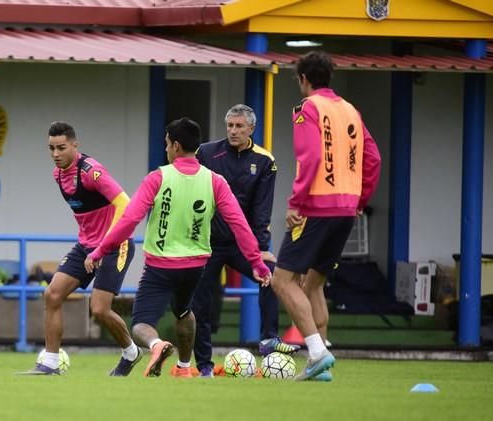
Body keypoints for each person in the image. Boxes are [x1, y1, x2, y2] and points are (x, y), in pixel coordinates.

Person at [85, 118, 271, 378]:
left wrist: (100, 250)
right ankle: (184, 367)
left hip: (160, 267)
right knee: (184, 310)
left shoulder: (158, 177)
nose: (166, 149)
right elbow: (239, 224)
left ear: (175, 145)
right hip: (196, 267)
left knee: (141, 324)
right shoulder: (214, 181)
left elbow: (129, 220)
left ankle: (156, 345)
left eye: (167, 144)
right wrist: (257, 262)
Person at [270, 51, 381, 381]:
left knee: (283, 280)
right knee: (314, 283)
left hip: (316, 208)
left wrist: (295, 203)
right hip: (346, 210)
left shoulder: (307, 108)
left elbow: (312, 157)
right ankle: (320, 366)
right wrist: (359, 200)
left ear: (303, 79)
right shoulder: (350, 110)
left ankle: (318, 353)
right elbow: (373, 159)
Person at [21, 121, 140, 376]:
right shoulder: (58, 175)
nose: (55, 154)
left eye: (61, 148)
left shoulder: (91, 171)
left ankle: (131, 352)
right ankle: (50, 363)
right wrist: (91, 247)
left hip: (114, 244)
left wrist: (104, 244)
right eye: (51, 148)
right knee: (52, 294)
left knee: (99, 309)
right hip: (86, 246)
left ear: (75, 145)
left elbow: (125, 204)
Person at [192, 104, 296, 378]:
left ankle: (268, 338)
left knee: (270, 277)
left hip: (242, 245)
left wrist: (262, 248)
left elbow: (262, 209)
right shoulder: (206, 153)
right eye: (230, 126)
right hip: (207, 244)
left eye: (239, 126)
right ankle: (203, 365)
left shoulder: (264, 161)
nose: (233, 131)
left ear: (252, 128)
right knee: (200, 304)